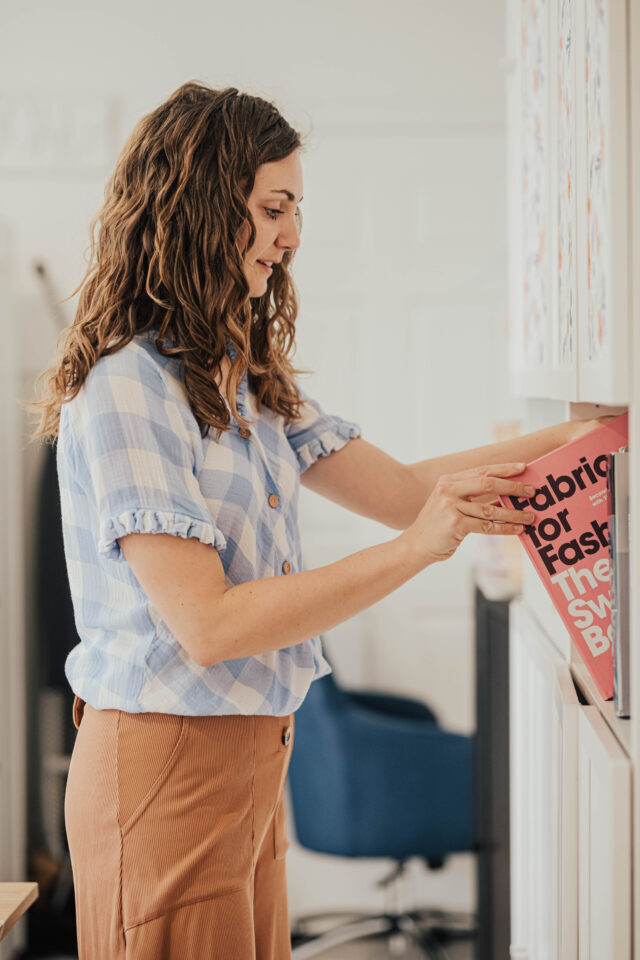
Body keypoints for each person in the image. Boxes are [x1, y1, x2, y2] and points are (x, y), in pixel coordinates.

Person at [26, 80, 602, 960]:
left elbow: (410, 492)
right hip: (166, 768)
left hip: (255, 760)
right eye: (273, 207)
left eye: (295, 208)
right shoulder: (124, 393)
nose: (292, 236)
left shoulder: (240, 379)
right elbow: (208, 626)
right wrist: (416, 552)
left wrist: (594, 435)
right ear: (203, 208)